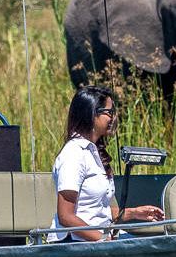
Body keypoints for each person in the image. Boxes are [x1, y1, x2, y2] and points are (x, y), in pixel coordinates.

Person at [54, 86, 165, 241]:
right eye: (109, 112)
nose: (114, 117)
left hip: (99, 240)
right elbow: (66, 217)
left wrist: (135, 213)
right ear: (91, 114)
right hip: (76, 243)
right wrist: (104, 240)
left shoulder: (93, 152)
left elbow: (98, 211)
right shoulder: (74, 153)